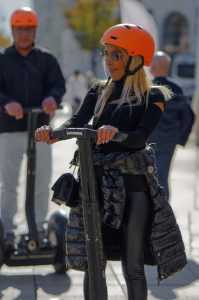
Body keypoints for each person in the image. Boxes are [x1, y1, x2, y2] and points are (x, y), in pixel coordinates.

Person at [35, 24, 187, 300]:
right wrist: (52, 133)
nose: (108, 61)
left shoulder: (153, 96)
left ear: (135, 59)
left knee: (133, 266)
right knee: (94, 264)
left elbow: (140, 138)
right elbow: (76, 122)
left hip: (133, 188)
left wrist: (117, 134)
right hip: (95, 187)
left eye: (115, 55)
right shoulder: (98, 90)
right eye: (105, 54)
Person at [0, 7, 66, 248]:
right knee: (8, 183)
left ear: (34, 30)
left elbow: (58, 85)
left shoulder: (47, 59)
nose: (24, 33)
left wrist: (52, 99)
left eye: (28, 29)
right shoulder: (3, 59)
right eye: (20, 29)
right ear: (13, 30)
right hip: (9, 128)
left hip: (40, 130)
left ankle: (37, 227)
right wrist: (7, 103)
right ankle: (7, 229)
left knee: (41, 181)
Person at [149, 51, 195, 200]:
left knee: (147, 179)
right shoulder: (176, 89)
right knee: (163, 177)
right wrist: (180, 138)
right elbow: (189, 115)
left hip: (148, 140)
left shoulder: (148, 89)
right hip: (169, 140)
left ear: (154, 68)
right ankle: (163, 212)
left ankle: (150, 212)